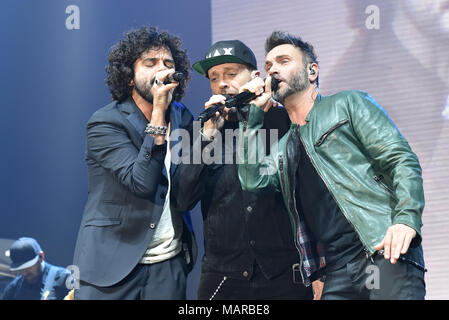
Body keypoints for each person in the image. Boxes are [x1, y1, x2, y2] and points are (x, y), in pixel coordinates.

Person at [237, 30, 426, 299]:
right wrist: (253, 115)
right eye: (268, 66)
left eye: (283, 61)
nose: (272, 70)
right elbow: (251, 179)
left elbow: (401, 159)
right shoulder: (284, 147)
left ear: (312, 71)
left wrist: (407, 219)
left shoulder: (348, 103)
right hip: (337, 271)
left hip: (383, 251)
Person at [171, 40, 321, 300]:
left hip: (284, 273)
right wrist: (206, 137)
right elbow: (182, 199)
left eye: (231, 74)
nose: (222, 83)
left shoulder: (283, 120)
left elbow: (312, 199)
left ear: (255, 77)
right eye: (214, 78)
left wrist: (320, 268)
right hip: (221, 277)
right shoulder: (198, 132)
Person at [73, 26, 196, 300]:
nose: (161, 70)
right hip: (111, 267)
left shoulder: (181, 117)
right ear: (130, 77)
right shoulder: (105, 123)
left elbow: (189, 183)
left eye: (168, 64)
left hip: (168, 266)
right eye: (150, 63)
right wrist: (158, 115)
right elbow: (140, 182)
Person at [2, 237, 71, 300]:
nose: (24, 272)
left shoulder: (64, 278)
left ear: (41, 256)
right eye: (20, 269)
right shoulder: (13, 288)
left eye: (28, 266)